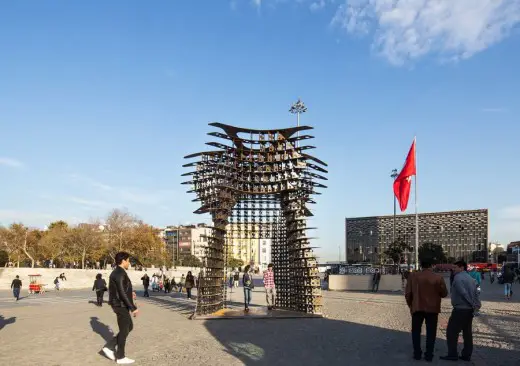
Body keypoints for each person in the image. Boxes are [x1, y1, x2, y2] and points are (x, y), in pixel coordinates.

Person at [405, 260, 448, 361]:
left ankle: (417, 354)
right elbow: (444, 294)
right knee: (431, 333)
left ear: (421, 265)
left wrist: (411, 306)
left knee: (415, 332)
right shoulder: (438, 277)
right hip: (433, 309)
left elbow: (408, 294)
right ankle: (429, 355)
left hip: (417, 308)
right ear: (432, 266)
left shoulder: (413, 276)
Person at [440, 261, 481, 362]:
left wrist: (472, 303)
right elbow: (476, 293)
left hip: (460, 309)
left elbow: (463, 293)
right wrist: (476, 305)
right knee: (467, 333)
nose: (453, 269)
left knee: (451, 332)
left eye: (455, 267)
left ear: (462, 267)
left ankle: (453, 354)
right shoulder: (471, 278)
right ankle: (467, 355)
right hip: (469, 310)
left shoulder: (458, 278)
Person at [103, 252, 138, 365]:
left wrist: (130, 292)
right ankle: (120, 356)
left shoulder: (119, 272)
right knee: (125, 329)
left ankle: (110, 346)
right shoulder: (119, 273)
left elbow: (122, 289)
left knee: (129, 327)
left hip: (120, 304)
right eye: (128, 260)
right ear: (123, 261)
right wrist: (133, 308)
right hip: (120, 305)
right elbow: (122, 292)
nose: (129, 263)